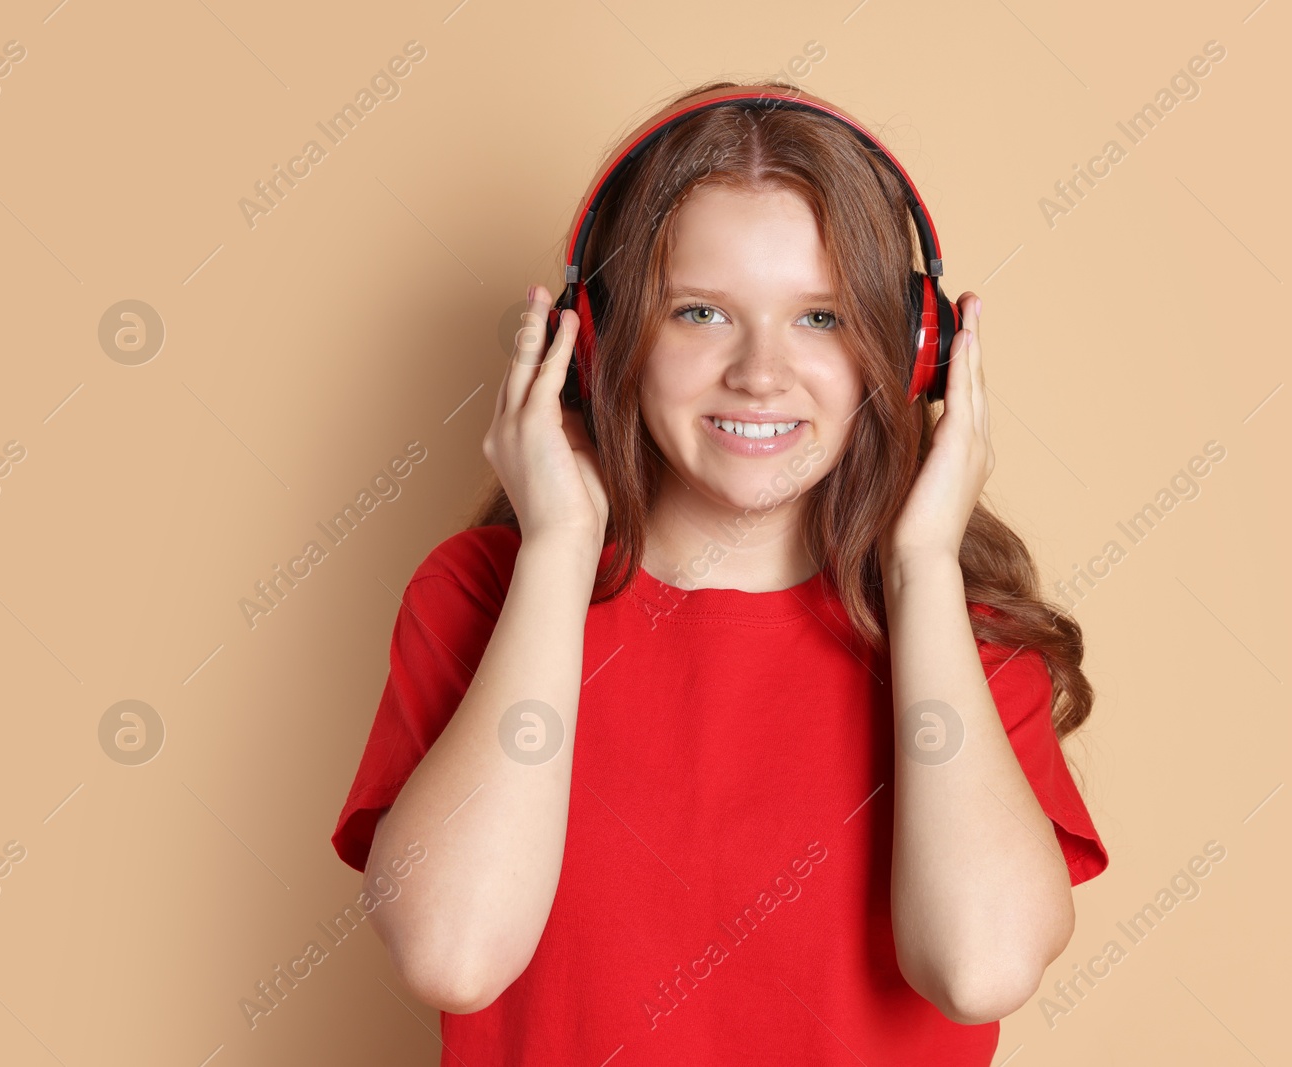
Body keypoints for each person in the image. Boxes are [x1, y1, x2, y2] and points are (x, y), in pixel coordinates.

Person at [331, 78, 1108, 1065]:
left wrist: (918, 570)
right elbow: (453, 952)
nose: (760, 373)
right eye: (700, 312)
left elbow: (978, 966)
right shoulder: (482, 593)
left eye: (819, 319)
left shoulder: (968, 636)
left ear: (914, 354)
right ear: (599, 342)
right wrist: (560, 549)